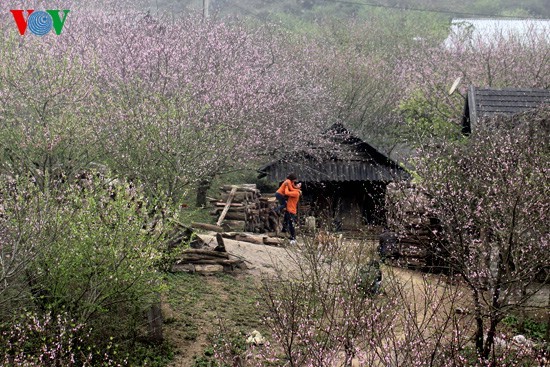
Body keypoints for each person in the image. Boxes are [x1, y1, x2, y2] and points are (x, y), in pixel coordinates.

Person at [283, 179, 301, 245]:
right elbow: (292, 186)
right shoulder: (295, 190)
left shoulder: (296, 193)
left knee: (291, 225)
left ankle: (293, 238)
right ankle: (284, 235)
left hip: (291, 211)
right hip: (289, 210)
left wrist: (287, 186)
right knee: (285, 222)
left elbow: (287, 193)